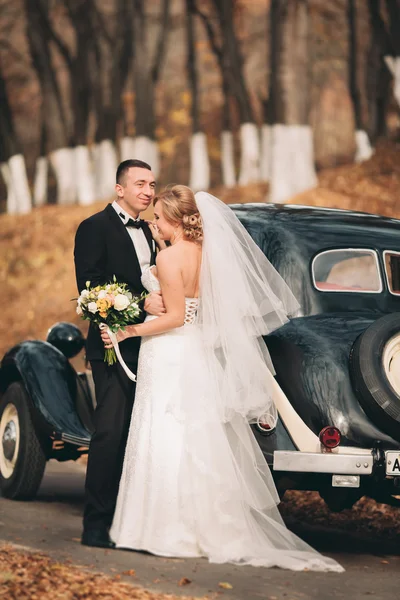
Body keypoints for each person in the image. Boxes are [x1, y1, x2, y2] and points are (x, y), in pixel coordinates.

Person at [100, 185, 344, 571]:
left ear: (176, 221)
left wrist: (125, 332)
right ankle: (203, 523)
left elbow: (177, 316)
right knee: (196, 435)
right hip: (196, 352)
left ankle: (165, 529)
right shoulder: (206, 253)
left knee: (163, 433)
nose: (155, 224)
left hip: (171, 351)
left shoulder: (169, 260)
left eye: (159, 219)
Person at [74, 159, 165, 548]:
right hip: (112, 345)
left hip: (155, 345)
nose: (148, 190)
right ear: (120, 188)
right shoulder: (94, 228)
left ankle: (135, 521)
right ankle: (96, 525)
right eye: (140, 183)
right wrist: (146, 304)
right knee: (110, 432)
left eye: (152, 184)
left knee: (141, 434)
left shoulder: (152, 230)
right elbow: (91, 287)